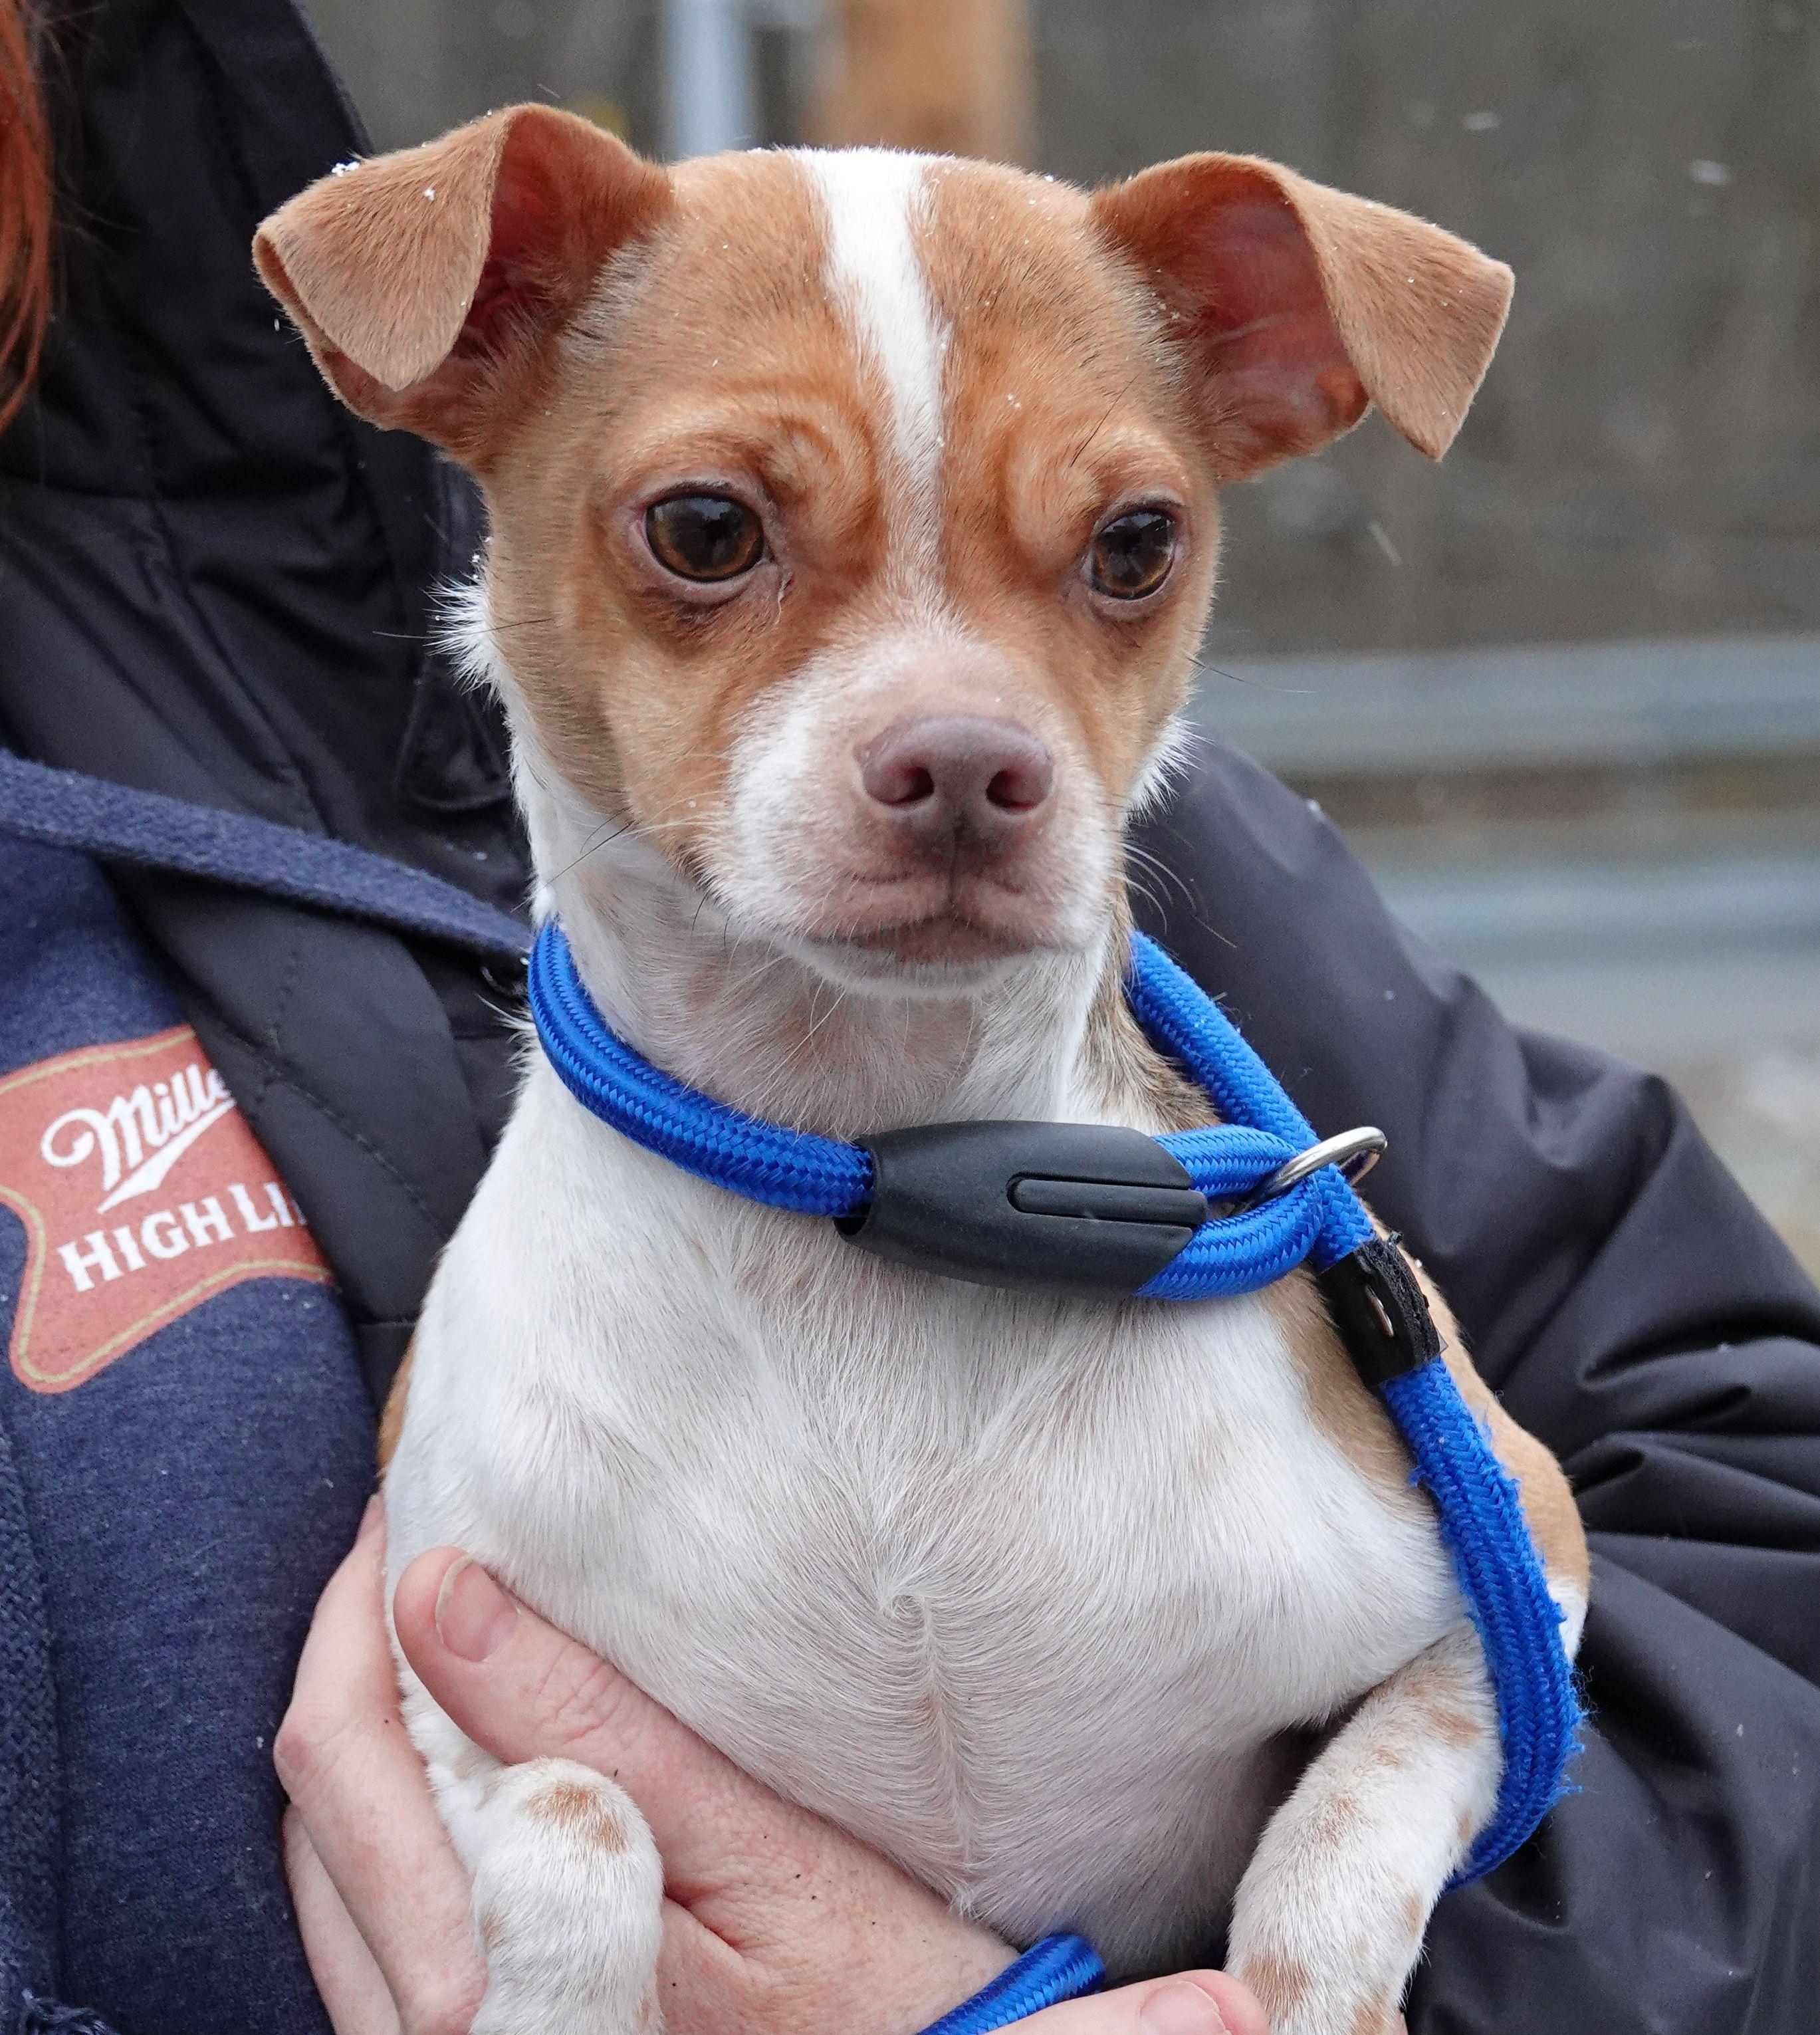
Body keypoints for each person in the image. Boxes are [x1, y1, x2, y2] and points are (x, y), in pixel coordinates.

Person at [1, 1, 1817, 2030]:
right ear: (440, 346)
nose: (963, 731)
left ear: (1269, 387)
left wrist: (1342, 1941)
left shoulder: (1262, 1023)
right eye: (714, 540)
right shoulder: (517, 1379)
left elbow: (1670, 1530)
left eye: (1118, 554)